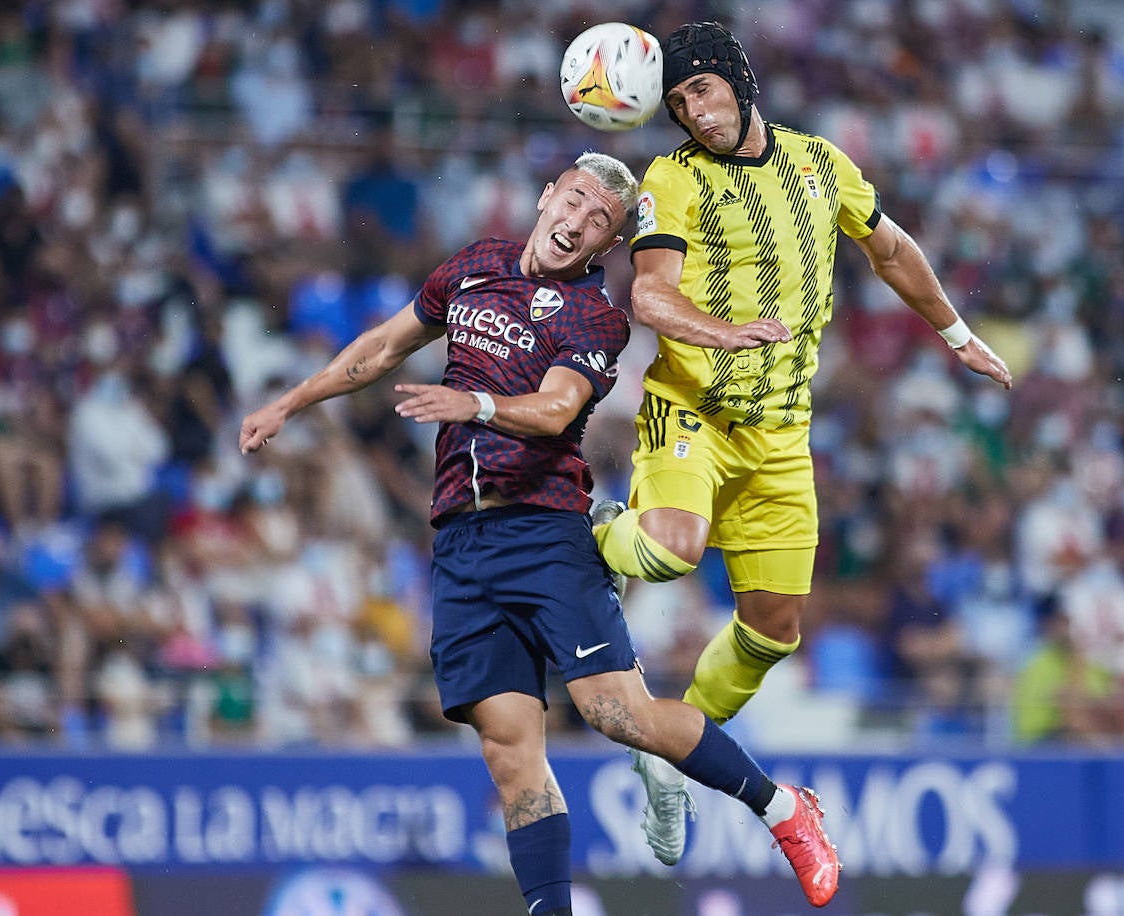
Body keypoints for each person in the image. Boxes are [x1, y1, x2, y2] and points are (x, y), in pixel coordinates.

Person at [240, 152, 841, 912]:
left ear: (607, 247)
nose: (579, 222)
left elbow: (557, 410)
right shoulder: (473, 267)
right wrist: (290, 403)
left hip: (545, 531)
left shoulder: (599, 318)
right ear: (547, 195)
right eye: (577, 201)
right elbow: (382, 348)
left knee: (615, 714)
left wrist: (478, 407)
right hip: (460, 545)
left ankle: (783, 808)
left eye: (601, 222)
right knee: (510, 755)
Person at [590, 22, 1015, 866]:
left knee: (774, 632)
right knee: (673, 551)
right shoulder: (671, 178)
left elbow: (888, 249)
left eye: (702, 91)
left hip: (781, 437)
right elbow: (651, 297)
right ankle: (588, 525)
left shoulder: (822, 164)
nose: (695, 114)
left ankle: (666, 746)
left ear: (740, 79)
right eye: (678, 103)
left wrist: (955, 331)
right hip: (693, 413)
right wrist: (727, 331)